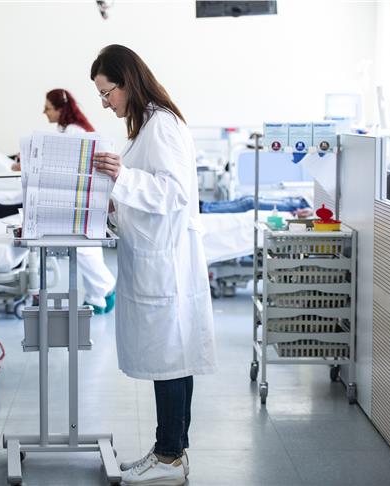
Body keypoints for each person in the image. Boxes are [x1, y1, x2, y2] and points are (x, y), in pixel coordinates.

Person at [90, 45, 217, 485]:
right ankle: (170, 452)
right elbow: (143, 196)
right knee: (171, 359)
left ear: (127, 82)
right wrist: (111, 202)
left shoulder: (162, 124)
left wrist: (122, 177)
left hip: (167, 263)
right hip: (154, 259)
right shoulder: (145, 126)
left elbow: (173, 193)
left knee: (170, 359)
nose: (105, 103)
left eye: (107, 93)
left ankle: (169, 458)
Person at [30, 88, 117, 314]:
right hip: (83, 196)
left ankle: (105, 287)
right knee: (87, 249)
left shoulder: (73, 131)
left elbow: (64, 165)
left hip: (82, 197)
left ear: (60, 109)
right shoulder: (69, 129)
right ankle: (97, 296)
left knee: (84, 249)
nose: (44, 112)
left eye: (47, 108)